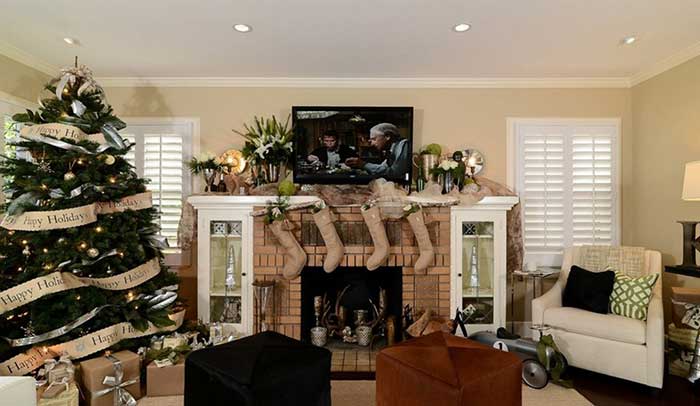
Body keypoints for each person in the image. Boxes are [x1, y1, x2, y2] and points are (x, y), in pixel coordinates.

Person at [345, 123, 410, 179]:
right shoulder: (391, 149)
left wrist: (363, 164)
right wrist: (361, 165)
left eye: (374, 139)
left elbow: (394, 173)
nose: (372, 143)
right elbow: (383, 168)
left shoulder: (403, 145)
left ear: (387, 136)